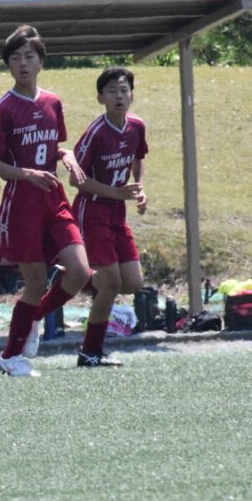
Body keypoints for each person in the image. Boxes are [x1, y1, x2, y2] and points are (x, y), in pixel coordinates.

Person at [0, 25, 90, 378]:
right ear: (8, 65)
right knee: (36, 282)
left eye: (29, 56)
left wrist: (67, 155)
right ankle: (10, 356)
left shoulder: (52, 101)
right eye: (15, 58)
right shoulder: (5, 108)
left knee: (80, 271)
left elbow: (52, 147)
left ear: (41, 61)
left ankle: (31, 319)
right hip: (22, 201)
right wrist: (28, 174)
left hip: (53, 196)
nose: (23, 64)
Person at [71, 67, 149, 367]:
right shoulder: (96, 132)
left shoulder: (136, 126)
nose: (120, 96)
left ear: (132, 95)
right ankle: (90, 351)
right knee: (112, 283)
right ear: (100, 98)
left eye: (124, 90)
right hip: (92, 210)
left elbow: (138, 158)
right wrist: (116, 192)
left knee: (133, 282)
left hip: (117, 212)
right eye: (113, 91)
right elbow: (76, 179)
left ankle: (72, 277)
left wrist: (140, 188)